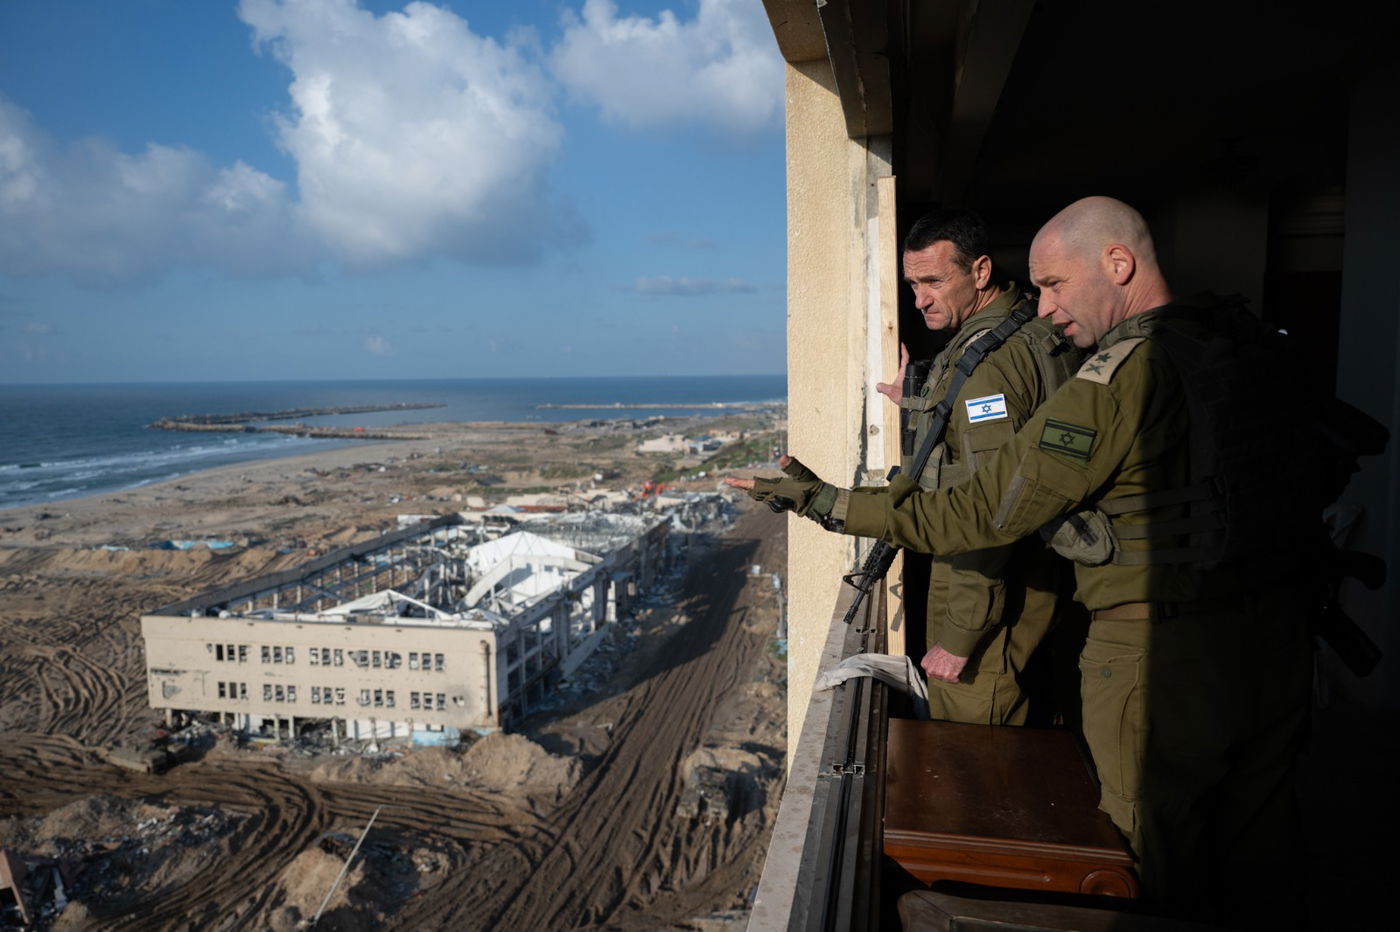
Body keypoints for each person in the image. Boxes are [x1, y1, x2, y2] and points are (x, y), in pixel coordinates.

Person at [728, 197, 1313, 928]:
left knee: (1152, 856)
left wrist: (823, 502)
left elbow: (980, 512)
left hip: (1162, 654)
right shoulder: (1238, 348)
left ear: (1118, 264)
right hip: (1279, 635)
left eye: (1055, 285)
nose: (1043, 310)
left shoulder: (1121, 377)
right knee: (1263, 842)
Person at [873, 209, 1082, 724]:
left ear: (980, 272)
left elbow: (990, 509)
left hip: (987, 584)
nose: (919, 299)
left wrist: (961, 635)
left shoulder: (991, 367)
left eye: (933, 281)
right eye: (912, 283)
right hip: (1034, 572)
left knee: (970, 745)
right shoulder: (1027, 325)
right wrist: (921, 406)